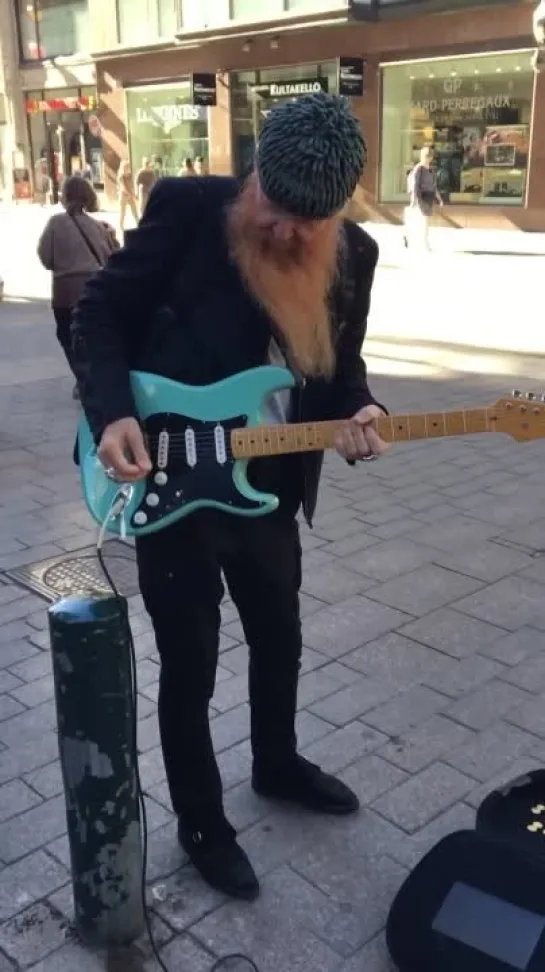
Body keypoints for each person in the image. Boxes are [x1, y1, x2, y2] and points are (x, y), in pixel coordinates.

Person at [72, 93, 388, 901]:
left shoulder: (354, 254)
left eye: (306, 225)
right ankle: (203, 823)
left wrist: (362, 410)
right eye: (275, 210)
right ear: (252, 177)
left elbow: (339, 371)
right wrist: (110, 413)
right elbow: (100, 314)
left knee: (280, 637)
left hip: (268, 490)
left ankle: (276, 764)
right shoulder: (186, 210)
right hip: (168, 483)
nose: (286, 234)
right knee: (191, 664)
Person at [37, 175, 118, 398]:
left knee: (66, 336)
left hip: (64, 292)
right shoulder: (98, 226)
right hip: (93, 289)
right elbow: (111, 257)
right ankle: (93, 378)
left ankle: (82, 380)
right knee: (92, 337)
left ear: (65, 196)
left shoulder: (55, 223)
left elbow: (45, 257)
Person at [406, 146, 444, 252]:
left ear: (431, 157)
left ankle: (411, 238)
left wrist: (439, 198)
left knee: (422, 220)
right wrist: (414, 199)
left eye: (428, 156)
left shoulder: (430, 170)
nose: (426, 158)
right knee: (423, 221)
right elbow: (415, 184)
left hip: (428, 197)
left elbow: (433, 186)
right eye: (424, 156)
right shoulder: (419, 168)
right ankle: (423, 243)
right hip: (420, 197)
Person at [117, 160, 138, 231]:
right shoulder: (121, 176)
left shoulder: (129, 175)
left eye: (129, 166)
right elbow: (123, 187)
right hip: (123, 196)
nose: (128, 168)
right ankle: (120, 226)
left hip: (130, 195)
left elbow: (132, 185)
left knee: (134, 210)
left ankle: (138, 223)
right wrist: (131, 194)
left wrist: (134, 193)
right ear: (123, 167)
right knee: (123, 212)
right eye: (127, 167)